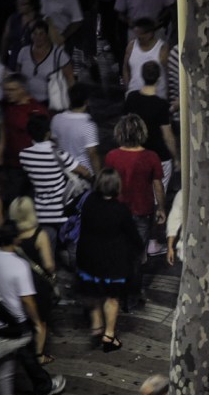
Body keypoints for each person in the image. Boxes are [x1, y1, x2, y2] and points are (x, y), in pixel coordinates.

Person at [0, 221, 65, 395]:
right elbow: (27, 299)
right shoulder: (17, 265)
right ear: (16, 240)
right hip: (13, 325)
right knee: (22, 356)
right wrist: (36, 322)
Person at [77, 168, 143, 351]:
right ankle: (109, 335)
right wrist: (139, 249)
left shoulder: (89, 202)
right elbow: (132, 235)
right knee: (112, 298)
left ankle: (96, 326)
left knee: (96, 293)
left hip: (89, 257)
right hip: (113, 262)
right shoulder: (120, 209)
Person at [105, 114, 166, 311]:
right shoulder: (151, 157)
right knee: (137, 257)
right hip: (142, 212)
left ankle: (118, 293)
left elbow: (107, 184)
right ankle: (133, 295)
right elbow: (158, 186)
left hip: (116, 213)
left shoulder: (112, 156)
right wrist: (162, 208)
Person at [18, 113, 90, 249]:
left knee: (48, 247)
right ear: (48, 133)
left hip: (41, 212)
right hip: (62, 211)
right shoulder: (58, 154)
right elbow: (82, 171)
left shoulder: (24, 155)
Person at [9, 196, 57, 363]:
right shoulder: (39, 235)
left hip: (14, 281)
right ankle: (39, 355)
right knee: (40, 321)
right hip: (36, 283)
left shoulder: (11, 235)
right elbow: (49, 264)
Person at [124, 60, 178, 193]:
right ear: (159, 78)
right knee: (158, 192)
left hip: (137, 151)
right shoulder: (161, 105)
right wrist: (176, 158)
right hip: (158, 155)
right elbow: (167, 136)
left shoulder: (131, 98)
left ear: (142, 76)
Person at [0, 73, 49, 203]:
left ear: (23, 89)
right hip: (12, 164)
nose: (7, 93)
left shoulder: (37, 111)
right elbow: (3, 125)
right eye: (6, 90)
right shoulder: (7, 105)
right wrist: (0, 150)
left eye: (12, 90)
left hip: (32, 165)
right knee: (13, 200)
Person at [16, 19, 74, 107]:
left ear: (47, 35)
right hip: (27, 101)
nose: (37, 37)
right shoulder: (23, 52)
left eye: (41, 33)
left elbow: (70, 78)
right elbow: (18, 75)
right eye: (34, 33)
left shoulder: (59, 54)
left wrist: (71, 100)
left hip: (51, 102)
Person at [51, 82, 102, 176]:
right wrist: (98, 177)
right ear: (87, 101)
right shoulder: (88, 125)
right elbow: (92, 154)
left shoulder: (56, 118)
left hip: (64, 171)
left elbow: (56, 144)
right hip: (84, 172)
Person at [122, 17, 169, 100]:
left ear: (150, 33)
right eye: (136, 33)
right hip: (134, 96)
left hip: (157, 97)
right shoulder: (131, 46)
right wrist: (128, 87)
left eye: (141, 34)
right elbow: (125, 67)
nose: (138, 36)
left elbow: (169, 74)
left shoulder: (162, 49)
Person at [0, 0, 42, 71]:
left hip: (33, 61)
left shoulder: (40, 20)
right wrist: (2, 59)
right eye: (18, 4)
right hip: (14, 58)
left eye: (22, 4)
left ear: (32, 5)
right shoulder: (13, 19)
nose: (19, 6)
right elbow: (5, 39)